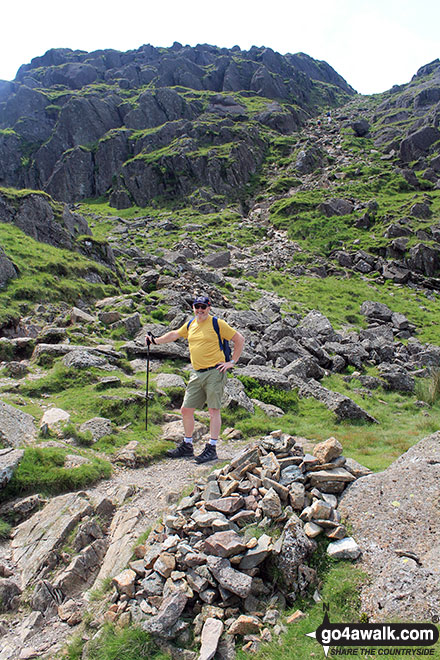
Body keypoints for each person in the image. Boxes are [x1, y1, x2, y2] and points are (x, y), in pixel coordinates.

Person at [146, 295, 245, 463]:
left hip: (215, 371)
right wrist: (154, 341)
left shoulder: (217, 323)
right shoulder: (191, 324)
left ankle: (212, 448)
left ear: (209, 307)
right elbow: (174, 335)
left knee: (213, 410)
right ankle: (187, 445)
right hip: (196, 372)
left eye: (203, 307)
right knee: (186, 409)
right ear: (193, 307)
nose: (200, 310)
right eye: (197, 307)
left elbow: (239, 339)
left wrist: (231, 362)